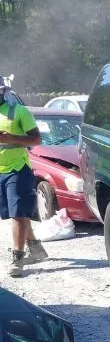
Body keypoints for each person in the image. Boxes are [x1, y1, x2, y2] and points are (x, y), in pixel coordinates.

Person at [0, 77, 48, 277]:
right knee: (13, 214)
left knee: (18, 214)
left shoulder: (18, 111)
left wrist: (12, 138)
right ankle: (36, 247)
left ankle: (17, 258)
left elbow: (37, 139)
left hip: (17, 169)